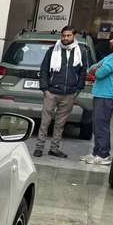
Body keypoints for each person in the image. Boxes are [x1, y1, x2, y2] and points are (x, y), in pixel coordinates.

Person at [83, 29, 113, 166]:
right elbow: (93, 67)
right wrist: (97, 68)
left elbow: (99, 73)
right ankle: (96, 152)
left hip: (108, 94)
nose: (111, 41)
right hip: (100, 93)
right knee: (97, 124)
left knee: (102, 125)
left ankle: (103, 154)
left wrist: (98, 69)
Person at [35, 26, 85, 159]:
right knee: (45, 122)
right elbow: (44, 70)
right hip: (51, 92)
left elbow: (83, 71)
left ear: (74, 36)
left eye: (68, 36)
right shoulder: (53, 50)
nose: (65, 38)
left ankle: (54, 149)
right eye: (63, 36)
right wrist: (45, 89)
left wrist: (78, 89)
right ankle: (39, 147)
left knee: (60, 124)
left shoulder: (81, 51)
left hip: (69, 93)